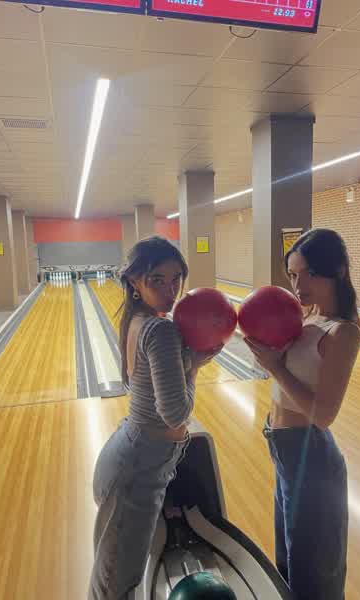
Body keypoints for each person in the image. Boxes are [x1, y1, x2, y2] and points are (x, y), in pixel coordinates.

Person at [88, 236, 221, 599]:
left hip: (131, 455)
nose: (170, 290)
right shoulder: (161, 329)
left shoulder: (136, 320)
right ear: (135, 281)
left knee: (113, 575)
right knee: (116, 585)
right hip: (139, 468)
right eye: (157, 280)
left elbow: (148, 383)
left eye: (176, 278)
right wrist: (194, 369)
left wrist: (189, 361)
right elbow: (175, 413)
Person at [244, 228, 360, 600]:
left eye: (308, 273)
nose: (298, 285)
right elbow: (289, 378)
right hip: (284, 449)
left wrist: (275, 367)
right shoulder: (306, 318)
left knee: (313, 577)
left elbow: (324, 414)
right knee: (289, 563)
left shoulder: (343, 332)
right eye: (293, 275)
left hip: (311, 458)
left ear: (337, 270)